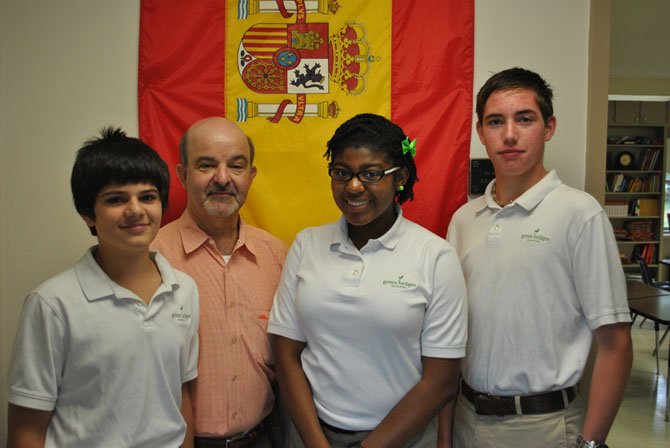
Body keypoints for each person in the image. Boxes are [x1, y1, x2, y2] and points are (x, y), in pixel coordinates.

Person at [446, 67, 633, 448]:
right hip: (466, 418)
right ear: (481, 132)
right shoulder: (464, 219)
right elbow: (447, 338)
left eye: (525, 119)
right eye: (496, 121)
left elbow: (616, 343)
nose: (510, 134)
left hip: (544, 427)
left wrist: (591, 444)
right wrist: (446, 433)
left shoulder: (580, 214)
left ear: (549, 127)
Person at [268, 113, 468, 448]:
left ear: (400, 177)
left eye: (371, 174)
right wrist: (316, 443)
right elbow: (286, 353)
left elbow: (442, 381)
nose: (354, 186)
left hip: (402, 438)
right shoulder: (307, 245)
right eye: (342, 173)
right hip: (310, 434)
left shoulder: (435, 256)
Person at [7, 128, 200, 448]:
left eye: (148, 197)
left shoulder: (185, 290)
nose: (136, 210)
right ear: (87, 214)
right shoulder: (53, 303)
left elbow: (179, 392)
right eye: (116, 199)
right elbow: (27, 427)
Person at [152, 117, 288, 448]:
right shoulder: (151, 258)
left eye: (236, 166)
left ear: (251, 175)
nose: (223, 178)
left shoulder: (278, 257)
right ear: (183, 175)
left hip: (264, 438)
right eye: (206, 165)